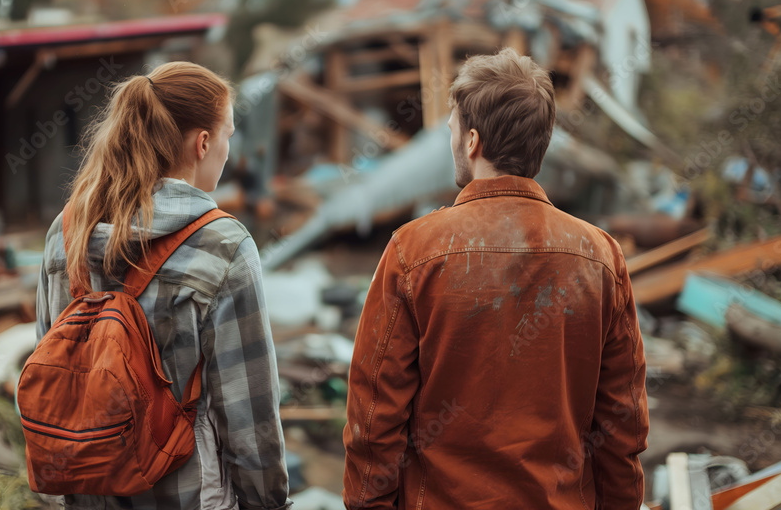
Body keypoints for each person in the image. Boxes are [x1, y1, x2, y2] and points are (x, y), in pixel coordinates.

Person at [342, 48, 649, 509]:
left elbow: (374, 419)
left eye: (451, 131)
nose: (450, 142)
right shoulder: (601, 257)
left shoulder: (412, 251)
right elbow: (621, 423)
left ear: (471, 141)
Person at [34, 62, 292, 510]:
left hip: (88, 492)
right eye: (228, 134)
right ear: (203, 142)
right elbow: (249, 415)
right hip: (187, 495)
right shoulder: (223, 245)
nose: (229, 150)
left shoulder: (66, 230)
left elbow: (53, 363)